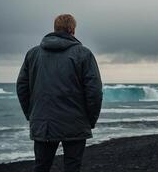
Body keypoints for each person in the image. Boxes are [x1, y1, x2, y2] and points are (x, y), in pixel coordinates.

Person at [16, 14, 103, 172]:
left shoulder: (33, 54)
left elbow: (22, 87)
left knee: (41, 167)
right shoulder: (84, 54)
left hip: (43, 123)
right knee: (72, 167)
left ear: (55, 29)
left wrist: (32, 114)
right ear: (72, 30)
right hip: (75, 121)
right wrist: (90, 119)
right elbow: (94, 91)